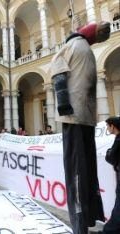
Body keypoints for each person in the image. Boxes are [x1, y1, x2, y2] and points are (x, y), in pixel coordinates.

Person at [50, 21, 111, 233]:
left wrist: (62, 101)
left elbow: (57, 72)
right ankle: (89, 217)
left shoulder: (72, 46)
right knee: (88, 171)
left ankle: (79, 224)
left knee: (75, 171)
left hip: (74, 117)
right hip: (86, 118)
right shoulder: (87, 51)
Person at [103, 116, 120, 233]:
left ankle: (109, 231)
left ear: (113, 126)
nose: (107, 129)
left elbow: (111, 157)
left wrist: (108, 152)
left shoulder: (119, 140)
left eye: (108, 126)